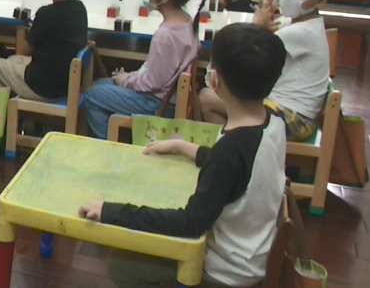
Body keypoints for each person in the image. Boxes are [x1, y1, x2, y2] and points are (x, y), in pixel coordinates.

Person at [81, 23, 287, 288]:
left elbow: (190, 222)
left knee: (121, 264)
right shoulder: (273, 123)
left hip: (225, 272)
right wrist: (184, 148)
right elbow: (244, 170)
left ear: (216, 80)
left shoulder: (229, 151)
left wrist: (110, 211)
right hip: (255, 256)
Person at [201, 0, 332, 142]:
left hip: (293, 120)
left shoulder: (303, 32)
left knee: (207, 98)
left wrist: (257, 23)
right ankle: (236, 145)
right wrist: (262, 25)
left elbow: (245, 49)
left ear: (320, 1)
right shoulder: (297, 23)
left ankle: (233, 149)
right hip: (291, 111)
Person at [82, 0, 207, 139]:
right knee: (102, 84)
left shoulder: (165, 36)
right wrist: (129, 77)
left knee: (93, 94)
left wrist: (125, 80)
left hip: (155, 103)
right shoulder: (187, 22)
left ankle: (109, 145)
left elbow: (151, 84)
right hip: (169, 98)